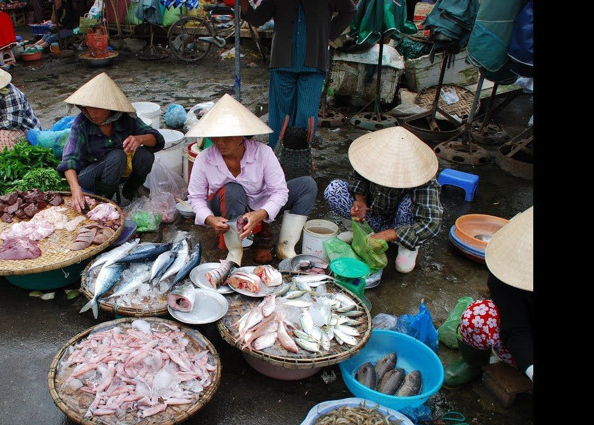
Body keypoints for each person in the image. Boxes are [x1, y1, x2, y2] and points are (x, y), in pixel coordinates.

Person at [186, 93, 318, 265]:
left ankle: (285, 246)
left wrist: (260, 214)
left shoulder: (263, 153)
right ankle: (235, 250)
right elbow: (196, 197)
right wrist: (210, 219)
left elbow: (279, 191)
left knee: (307, 185)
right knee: (233, 189)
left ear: (243, 135)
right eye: (215, 136)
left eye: (227, 137)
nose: (220, 142)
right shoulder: (204, 159)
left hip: (260, 204)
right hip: (225, 205)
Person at [323, 126, 443, 273]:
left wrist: (386, 235)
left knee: (408, 204)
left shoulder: (423, 178)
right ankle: (361, 233)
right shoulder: (371, 158)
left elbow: (431, 223)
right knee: (334, 189)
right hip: (373, 215)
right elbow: (358, 178)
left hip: (399, 225)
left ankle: (405, 245)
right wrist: (360, 200)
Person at [240, 0, 358, 148]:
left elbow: (350, 11)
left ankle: (300, 155)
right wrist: (243, 2)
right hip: (282, 62)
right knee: (280, 115)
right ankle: (276, 156)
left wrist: (327, 36)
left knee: (306, 115)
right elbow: (257, 19)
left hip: (314, 63)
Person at [444, 206, 534, 387]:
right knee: (478, 316)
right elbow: (516, 328)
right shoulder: (506, 269)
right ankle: (475, 362)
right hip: (525, 339)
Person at [57, 72, 165, 212]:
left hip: (119, 170)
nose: (92, 113)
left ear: (110, 107)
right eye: (89, 107)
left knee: (145, 155)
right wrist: (75, 189)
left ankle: (129, 192)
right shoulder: (81, 124)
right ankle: (104, 201)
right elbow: (69, 160)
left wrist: (140, 139)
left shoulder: (126, 118)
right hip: (90, 175)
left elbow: (157, 138)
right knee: (117, 156)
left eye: (97, 108)